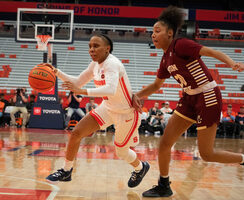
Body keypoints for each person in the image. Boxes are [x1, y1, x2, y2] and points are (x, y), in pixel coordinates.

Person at [131, 6, 244, 197]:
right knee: (165, 143)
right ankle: (164, 185)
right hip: (189, 98)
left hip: (208, 96)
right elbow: (156, 85)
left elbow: (211, 52)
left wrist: (231, 63)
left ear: (170, 33)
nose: (153, 35)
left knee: (207, 154)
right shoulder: (165, 59)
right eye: (152, 32)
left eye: (157, 31)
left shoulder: (181, 44)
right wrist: (136, 95)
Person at [45, 34, 150, 188]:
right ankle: (66, 171)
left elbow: (110, 89)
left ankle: (140, 167)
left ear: (107, 49)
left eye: (96, 46)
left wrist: (81, 91)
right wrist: (56, 72)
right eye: (90, 46)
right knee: (76, 133)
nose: (91, 50)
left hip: (125, 113)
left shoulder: (112, 64)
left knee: (121, 152)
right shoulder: (94, 65)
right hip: (107, 108)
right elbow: (77, 81)